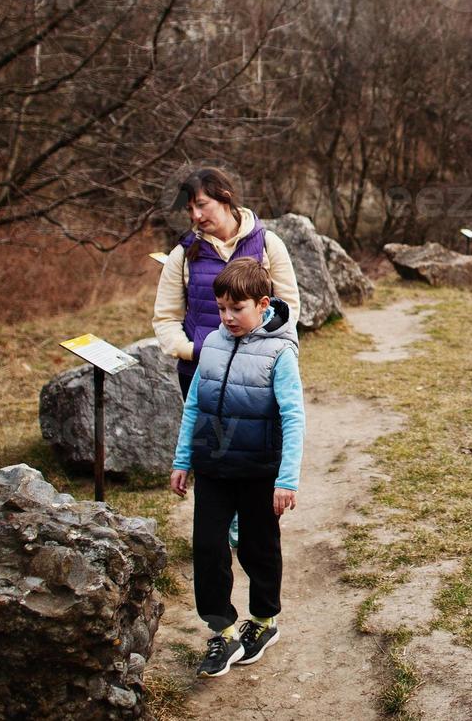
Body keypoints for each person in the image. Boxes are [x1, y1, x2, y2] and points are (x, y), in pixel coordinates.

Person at [170, 258, 305, 679]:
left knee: (256, 549)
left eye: (237, 308)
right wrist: (182, 459)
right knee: (209, 549)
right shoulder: (211, 342)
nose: (227, 317)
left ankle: (264, 621)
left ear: (263, 304)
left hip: (259, 470)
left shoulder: (280, 351)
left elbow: (293, 417)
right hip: (213, 467)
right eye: (222, 308)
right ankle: (223, 629)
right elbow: (194, 403)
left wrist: (286, 479)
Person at [153, 167, 299, 550]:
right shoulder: (184, 254)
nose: (196, 215)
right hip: (204, 372)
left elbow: (289, 306)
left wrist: (265, 348)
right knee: (216, 456)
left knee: (254, 453)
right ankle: (220, 534)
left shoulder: (268, 244)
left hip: (260, 375)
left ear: (226, 198)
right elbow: (165, 319)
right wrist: (196, 351)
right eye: (190, 208)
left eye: (202, 204)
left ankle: (250, 533)